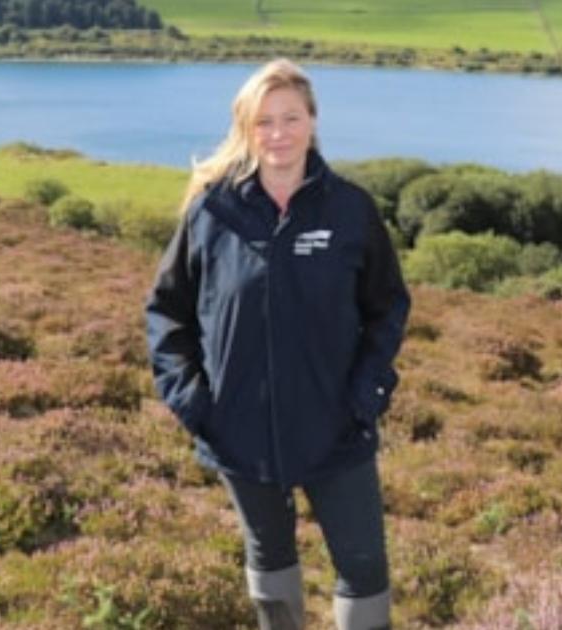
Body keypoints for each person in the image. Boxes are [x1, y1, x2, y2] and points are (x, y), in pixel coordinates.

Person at [145, 58, 410, 630]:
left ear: (313, 121)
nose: (278, 133)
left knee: (364, 569)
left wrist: (366, 394)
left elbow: (388, 307)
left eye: (291, 118)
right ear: (246, 128)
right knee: (268, 561)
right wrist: (194, 403)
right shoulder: (212, 212)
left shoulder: (350, 210)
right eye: (263, 121)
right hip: (239, 430)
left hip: (337, 428)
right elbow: (167, 313)